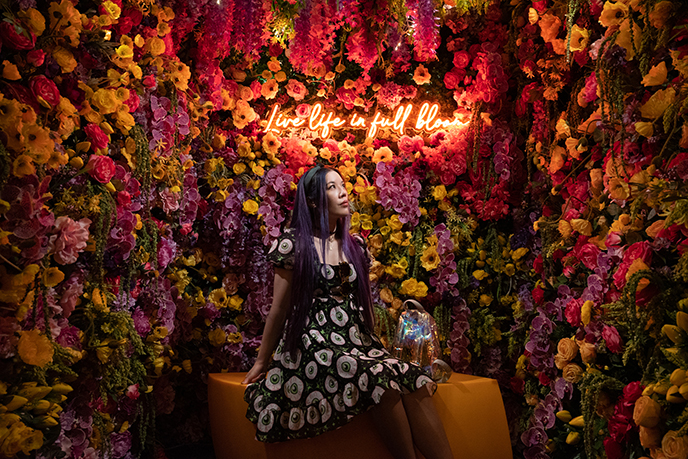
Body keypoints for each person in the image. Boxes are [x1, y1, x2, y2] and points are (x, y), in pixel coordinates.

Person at [243, 165, 453, 459]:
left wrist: (373, 347)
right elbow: (278, 309)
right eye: (332, 187)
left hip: (356, 340)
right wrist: (262, 362)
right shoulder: (294, 245)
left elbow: (361, 305)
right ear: (313, 200)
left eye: (342, 185)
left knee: (411, 376)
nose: (343, 192)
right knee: (379, 378)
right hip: (314, 343)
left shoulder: (355, 246)